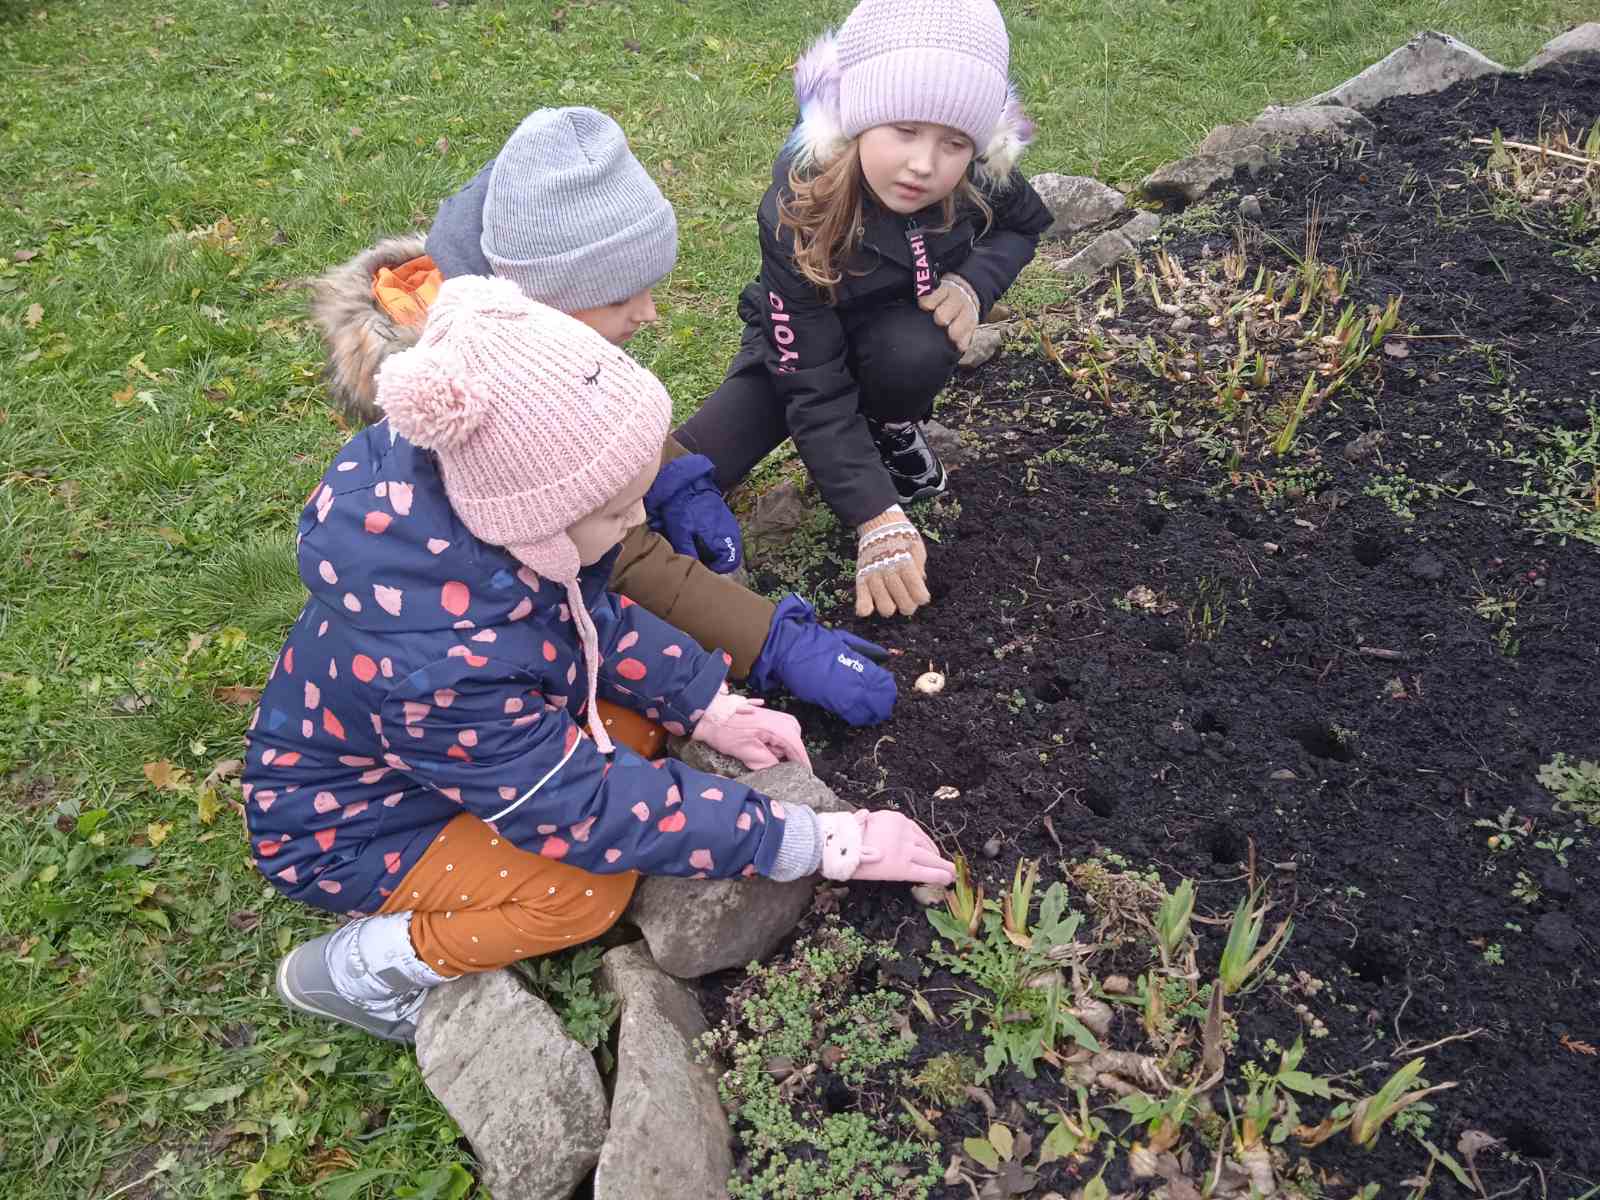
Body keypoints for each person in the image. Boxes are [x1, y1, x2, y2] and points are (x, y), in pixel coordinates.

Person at [248, 277, 956, 1041]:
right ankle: (368, 966)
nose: (636, 526)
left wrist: (707, 706)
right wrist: (818, 842)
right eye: (619, 512)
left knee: (637, 732)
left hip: (441, 754)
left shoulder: (484, 531)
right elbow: (585, 810)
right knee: (581, 894)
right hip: (353, 830)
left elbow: (594, 617)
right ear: (535, 520)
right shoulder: (442, 673)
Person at [312, 106, 894, 727]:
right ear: (543, 299)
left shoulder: (526, 329)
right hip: (467, 679)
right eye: (621, 298)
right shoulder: (487, 407)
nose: (648, 314)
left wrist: (676, 477)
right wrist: (769, 639)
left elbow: (594, 423)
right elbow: (619, 559)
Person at [675, 0, 1053, 621]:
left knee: (914, 352)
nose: (924, 164)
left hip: (896, 334)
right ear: (857, 122)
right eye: (903, 130)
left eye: (953, 141)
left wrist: (971, 285)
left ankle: (889, 424)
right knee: (698, 464)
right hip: (799, 337)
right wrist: (876, 519)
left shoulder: (980, 175)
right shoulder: (798, 205)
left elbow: (1024, 228)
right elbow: (814, 386)